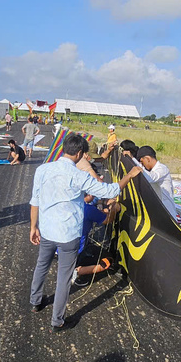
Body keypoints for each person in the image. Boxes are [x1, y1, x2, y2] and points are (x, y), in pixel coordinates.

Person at [29, 133, 142, 332]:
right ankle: (57, 321)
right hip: (68, 235)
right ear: (80, 153)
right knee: (63, 278)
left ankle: (36, 302)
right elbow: (108, 192)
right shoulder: (78, 175)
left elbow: (35, 200)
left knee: (42, 265)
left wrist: (33, 227)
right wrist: (129, 176)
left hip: (47, 230)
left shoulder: (43, 169)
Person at [71, 196, 120, 287]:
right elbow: (108, 219)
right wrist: (114, 209)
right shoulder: (87, 209)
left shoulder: (68, 202)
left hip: (59, 246)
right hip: (77, 251)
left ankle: (70, 267)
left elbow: (92, 206)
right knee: (107, 260)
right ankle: (76, 271)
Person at [136, 145, 178, 219]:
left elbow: (151, 177)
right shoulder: (152, 171)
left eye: (142, 162)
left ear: (148, 159)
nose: (142, 165)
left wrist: (133, 160)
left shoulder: (162, 169)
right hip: (158, 210)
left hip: (167, 212)